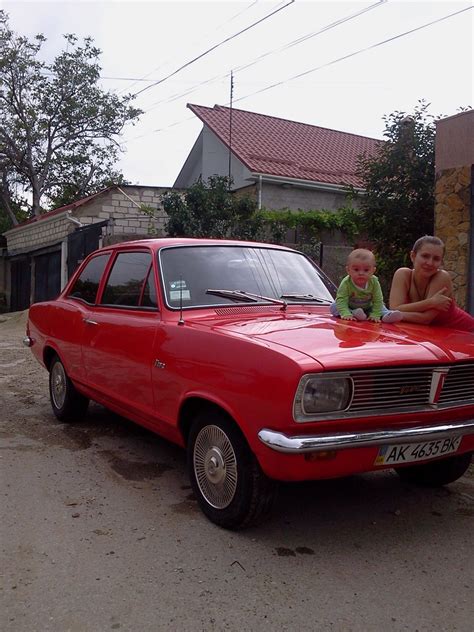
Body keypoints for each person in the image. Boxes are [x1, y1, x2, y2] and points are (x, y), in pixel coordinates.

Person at [389, 235, 474, 332]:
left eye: (436, 259)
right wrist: (431, 302)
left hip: (464, 333)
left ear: (441, 262)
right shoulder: (402, 274)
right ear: (413, 256)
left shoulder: (442, 277)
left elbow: (425, 319)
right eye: (425, 256)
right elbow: (394, 308)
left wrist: (392, 315)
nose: (430, 263)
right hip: (436, 335)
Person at [331, 248, 403, 323]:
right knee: (334, 306)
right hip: (349, 306)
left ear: (373, 271)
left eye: (366, 270)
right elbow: (342, 299)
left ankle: (386, 315)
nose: (361, 273)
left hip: (368, 306)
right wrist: (346, 314)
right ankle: (354, 313)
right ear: (348, 270)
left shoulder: (374, 282)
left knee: (381, 306)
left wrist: (375, 315)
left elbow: (377, 300)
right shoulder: (346, 282)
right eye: (356, 269)